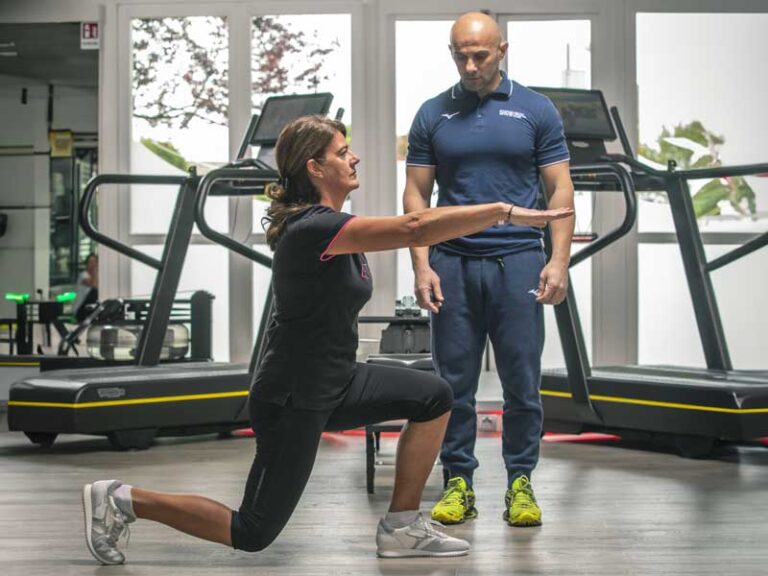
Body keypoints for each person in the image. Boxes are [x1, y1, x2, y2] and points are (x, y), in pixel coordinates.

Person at [82, 115, 572, 565]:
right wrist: (504, 212)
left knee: (434, 396)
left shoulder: (333, 227)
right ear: (315, 168)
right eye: (342, 152)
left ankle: (401, 527)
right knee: (252, 530)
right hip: (293, 396)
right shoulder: (313, 229)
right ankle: (121, 499)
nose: (353, 158)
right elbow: (415, 226)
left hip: (337, 380)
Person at [403, 12, 575, 528]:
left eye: (480, 55)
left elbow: (559, 188)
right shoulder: (433, 113)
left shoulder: (536, 109)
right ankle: (459, 482)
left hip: (518, 261)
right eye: (461, 56)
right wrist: (421, 265)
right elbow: (416, 195)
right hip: (452, 262)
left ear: (502, 50)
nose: (471, 65)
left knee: (522, 381)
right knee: (452, 385)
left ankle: (520, 482)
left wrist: (558, 260)